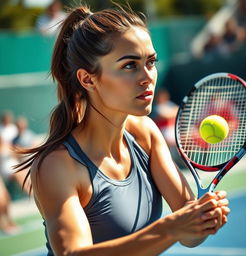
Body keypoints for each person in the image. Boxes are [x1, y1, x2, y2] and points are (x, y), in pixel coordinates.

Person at [16, 4, 230, 256]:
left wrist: (202, 218)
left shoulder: (145, 134)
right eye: (130, 65)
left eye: (151, 62)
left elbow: (189, 236)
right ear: (88, 79)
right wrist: (169, 229)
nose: (147, 76)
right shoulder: (57, 166)